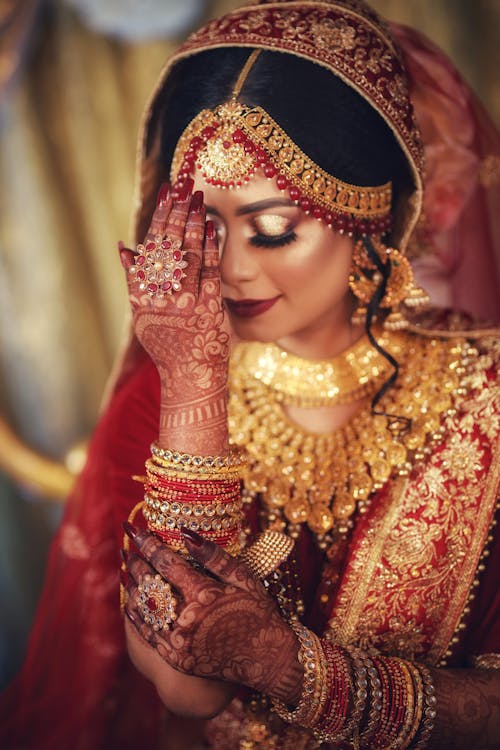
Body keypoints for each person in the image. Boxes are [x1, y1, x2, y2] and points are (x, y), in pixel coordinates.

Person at [1, 1, 499, 749]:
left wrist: (288, 666)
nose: (230, 268)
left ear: (372, 210)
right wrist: (197, 392)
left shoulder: (486, 398)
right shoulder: (166, 394)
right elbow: (185, 688)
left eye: (272, 229)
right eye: (203, 226)